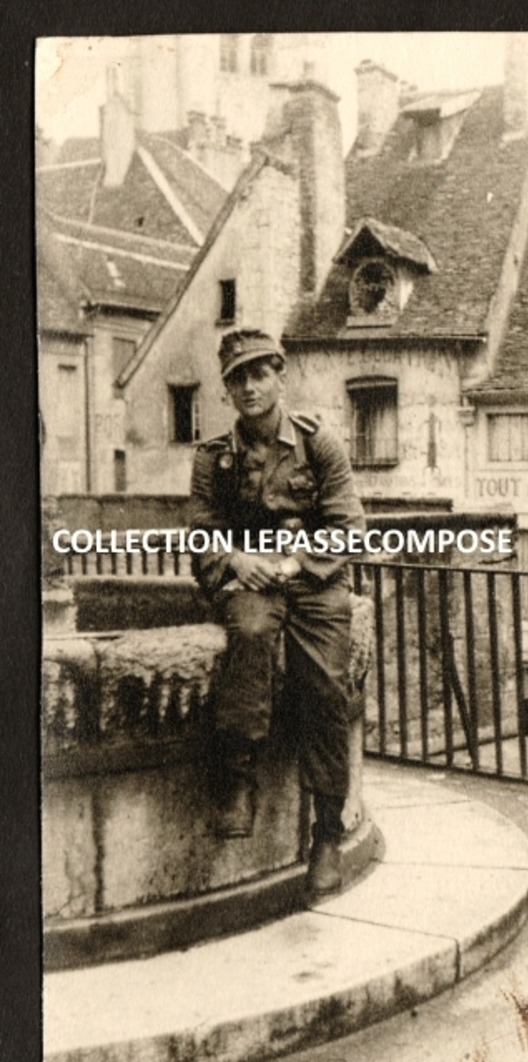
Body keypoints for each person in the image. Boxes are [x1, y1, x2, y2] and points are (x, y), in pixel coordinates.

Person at [189, 329, 365, 895]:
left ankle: (328, 835)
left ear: (279, 376)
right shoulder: (214, 459)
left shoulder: (319, 444)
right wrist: (239, 561)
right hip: (252, 583)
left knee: (326, 687)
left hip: (312, 584)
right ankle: (238, 780)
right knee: (248, 632)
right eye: (237, 378)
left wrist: (288, 567)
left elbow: (348, 530)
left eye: (258, 373)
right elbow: (200, 537)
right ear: (227, 389)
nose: (249, 387)